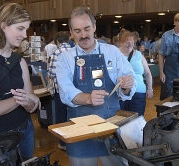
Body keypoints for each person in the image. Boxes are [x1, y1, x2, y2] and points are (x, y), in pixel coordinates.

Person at [56, 6, 136, 166]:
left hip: (111, 128)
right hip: (80, 131)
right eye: (77, 31)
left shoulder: (112, 52)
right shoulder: (65, 58)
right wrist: (87, 98)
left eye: (87, 29)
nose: (83, 35)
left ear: (94, 27)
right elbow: (66, 92)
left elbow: (129, 81)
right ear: (71, 31)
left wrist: (127, 84)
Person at [0, 3, 40, 159]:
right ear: (3, 26)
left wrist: (29, 101)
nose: (25, 35)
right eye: (20, 28)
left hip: (26, 129)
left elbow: (30, 107)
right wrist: (22, 99)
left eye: (26, 29)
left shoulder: (19, 60)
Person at [118, 30, 153, 116]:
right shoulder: (114, 54)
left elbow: (147, 73)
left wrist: (150, 88)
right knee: (120, 120)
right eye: (127, 42)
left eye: (132, 42)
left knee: (137, 119)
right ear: (120, 42)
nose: (130, 45)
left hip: (139, 92)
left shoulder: (138, 55)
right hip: (120, 94)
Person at [47, 31, 72, 151]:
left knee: (62, 117)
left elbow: (52, 73)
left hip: (60, 90)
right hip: (74, 91)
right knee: (72, 116)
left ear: (57, 41)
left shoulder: (56, 52)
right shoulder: (75, 49)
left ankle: (63, 143)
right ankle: (73, 141)